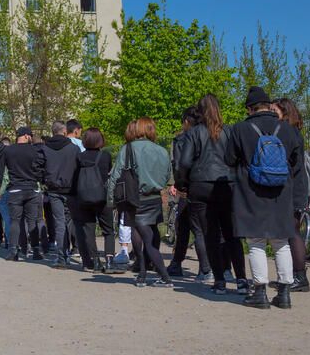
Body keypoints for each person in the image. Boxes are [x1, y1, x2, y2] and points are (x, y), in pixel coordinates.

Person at [226, 86, 303, 309]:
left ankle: (260, 292)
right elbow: (296, 162)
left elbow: (230, 158)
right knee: (281, 242)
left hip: (251, 191)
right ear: (269, 106)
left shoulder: (240, 129)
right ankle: (285, 292)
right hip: (281, 191)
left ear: (250, 108)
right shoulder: (288, 130)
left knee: (255, 241)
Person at [177, 93, 249, 295]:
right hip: (226, 184)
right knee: (232, 234)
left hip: (201, 185)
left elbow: (184, 162)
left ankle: (219, 280)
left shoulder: (194, 133)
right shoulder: (229, 131)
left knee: (210, 234)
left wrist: (183, 184)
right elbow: (237, 158)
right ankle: (241, 279)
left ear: (199, 112)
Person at [108, 117, 174, 287]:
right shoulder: (162, 151)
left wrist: (110, 201)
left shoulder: (128, 148)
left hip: (134, 197)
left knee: (143, 236)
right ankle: (143, 272)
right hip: (155, 198)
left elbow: (115, 175)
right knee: (150, 234)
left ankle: (163, 276)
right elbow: (168, 175)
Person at [168, 106, 213, 282]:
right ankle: (177, 263)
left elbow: (180, 165)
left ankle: (205, 269)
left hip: (191, 188)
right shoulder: (212, 135)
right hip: (210, 185)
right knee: (188, 225)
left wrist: (181, 187)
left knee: (194, 228)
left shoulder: (182, 139)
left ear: (187, 122)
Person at [272, 97, 310, 293]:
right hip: (296, 187)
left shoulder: (289, 133)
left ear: (284, 113)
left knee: (292, 232)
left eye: (274, 110)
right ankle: (294, 275)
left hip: (293, 189)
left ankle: (300, 276)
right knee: (291, 232)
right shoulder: (294, 132)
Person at [72, 128, 117, 272]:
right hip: (102, 198)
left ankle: (95, 260)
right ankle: (109, 260)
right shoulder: (106, 156)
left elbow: (75, 178)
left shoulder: (80, 157)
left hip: (84, 198)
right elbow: (109, 174)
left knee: (89, 230)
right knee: (108, 230)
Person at [3, 126, 46, 261]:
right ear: (27, 136)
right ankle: (35, 251)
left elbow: (4, 168)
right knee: (32, 221)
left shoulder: (8, 150)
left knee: (15, 221)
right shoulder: (35, 150)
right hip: (32, 188)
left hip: (15, 187)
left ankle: (14, 251)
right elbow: (40, 169)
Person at [41, 122, 79, 268]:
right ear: (64, 132)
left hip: (54, 188)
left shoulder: (45, 149)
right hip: (70, 189)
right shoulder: (74, 149)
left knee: (59, 222)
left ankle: (62, 256)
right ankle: (73, 251)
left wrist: (44, 181)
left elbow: (37, 166)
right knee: (71, 221)